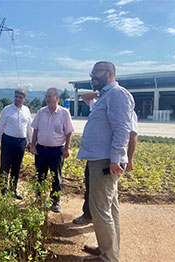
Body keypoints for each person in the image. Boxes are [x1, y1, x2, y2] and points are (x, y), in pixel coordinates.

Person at [76, 61, 135, 262]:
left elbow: (121, 129)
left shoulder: (117, 94)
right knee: (110, 208)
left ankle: (108, 257)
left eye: (96, 72)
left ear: (110, 73)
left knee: (100, 209)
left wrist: (116, 159)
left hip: (105, 161)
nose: (92, 76)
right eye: (91, 73)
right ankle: (108, 250)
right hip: (101, 159)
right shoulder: (106, 95)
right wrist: (96, 94)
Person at [73, 92, 139, 224]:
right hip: (95, 156)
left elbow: (132, 136)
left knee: (105, 197)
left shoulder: (126, 111)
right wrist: (100, 93)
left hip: (109, 159)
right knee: (91, 187)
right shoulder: (100, 106)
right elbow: (84, 96)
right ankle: (90, 215)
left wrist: (129, 159)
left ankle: (104, 228)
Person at [30, 88, 74, 212]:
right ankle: (39, 199)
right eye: (46, 96)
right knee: (40, 176)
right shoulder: (41, 112)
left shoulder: (64, 113)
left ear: (57, 98)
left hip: (57, 151)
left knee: (56, 177)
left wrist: (67, 148)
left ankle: (55, 202)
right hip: (41, 150)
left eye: (50, 96)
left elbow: (69, 132)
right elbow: (35, 130)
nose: (47, 99)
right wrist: (33, 145)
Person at [0, 88, 33, 200]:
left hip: (21, 142)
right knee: (5, 165)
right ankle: (3, 190)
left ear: (24, 99)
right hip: (8, 140)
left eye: (20, 97)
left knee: (17, 167)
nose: (17, 99)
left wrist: (31, 142)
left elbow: (29, 127)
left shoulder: (26, 111)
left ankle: (13, 189)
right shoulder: (7, 109)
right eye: (16, 97)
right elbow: (0, 125)